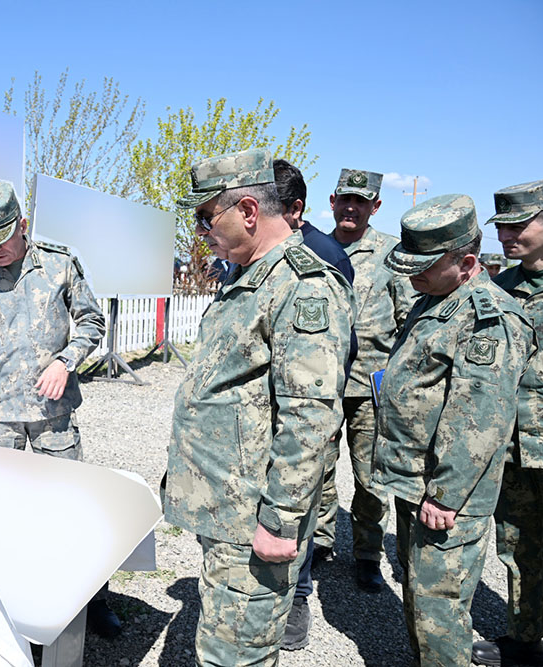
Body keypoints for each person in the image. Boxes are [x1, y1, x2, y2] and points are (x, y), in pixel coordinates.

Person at [164, 148, 354, 665]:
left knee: (235, 656)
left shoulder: (302, 286)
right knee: (226, 641)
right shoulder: (249, 276)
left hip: (253, 515)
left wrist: (281, 518)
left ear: (249, 211)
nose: (202, 230)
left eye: (207, 217)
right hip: (228, 510)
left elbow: (310, 416)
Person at [0, 180, 118, 637]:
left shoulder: (60, 264)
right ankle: (9, 606)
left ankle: (88, 601)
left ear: (22, 224)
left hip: (52, 417)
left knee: (69, 510)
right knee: (3, 514)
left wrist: (66, 360)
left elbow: (92, 321)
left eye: (3, 240)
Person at [373, 194, 533, 667]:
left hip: (446, 494)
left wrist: (444, 494)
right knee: (421, 599)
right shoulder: (437, 298)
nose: (410, 275)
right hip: (415, 482)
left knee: (439, 610)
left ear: (466, 263)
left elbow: (480, 418)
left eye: (423, 265)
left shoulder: (488, 317)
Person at [318, 168, 417, 593]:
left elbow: (411, 321)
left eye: (362, 201)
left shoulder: (392, 255)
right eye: (346, 199)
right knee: (316, 469)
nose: (352, 208)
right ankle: (320, 541)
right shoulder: (314, 249)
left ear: (375, 206)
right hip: (318, 383)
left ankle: (366, 554)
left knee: (370, 476)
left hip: (369, 387)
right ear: (333, 200)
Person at [273, 158, 356, 651]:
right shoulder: (251, 253)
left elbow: (334, 345)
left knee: (299, 499)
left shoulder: (324, 257)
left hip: (305, 405)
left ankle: (298, 595)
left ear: (296, 210)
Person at [472, 179, 543, 667]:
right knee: (519, 546)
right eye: (502, 227)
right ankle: (525, 640)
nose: (508, 236)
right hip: (516, 444)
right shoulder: (500, 289)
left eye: (520, 225)